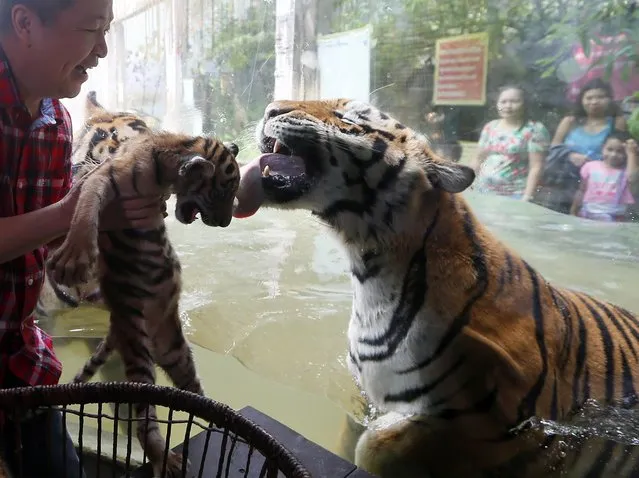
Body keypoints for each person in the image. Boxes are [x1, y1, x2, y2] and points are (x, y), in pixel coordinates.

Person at [0, 1, 165, 476]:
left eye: (107, 29)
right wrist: (71, 213)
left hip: (21, 360)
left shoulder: (55, 119)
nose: (104, 49)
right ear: (25, 23)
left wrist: (104, 222)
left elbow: (40, 244)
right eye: (92, 29)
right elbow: (54, 219)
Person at [470, 84, 550, 201]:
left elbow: (536, 167)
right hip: (483, 190)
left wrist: (527, 197)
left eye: (514, 101)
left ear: (525, 104)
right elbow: (478, 159)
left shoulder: (534, 129)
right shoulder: (490, 127)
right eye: (503, 101)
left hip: (515, 194)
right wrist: (466, 183)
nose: (508, 106)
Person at [570, 131, 636, 222]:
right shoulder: (590, 166)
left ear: (626, 153)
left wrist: (632, 153)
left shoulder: (625, 172)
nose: (613, 155)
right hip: (588, 214)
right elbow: (581, 190)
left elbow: (632, 178)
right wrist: (573, 210)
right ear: (602, 148)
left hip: (615, 218)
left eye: (620, 151)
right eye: (609, 149)